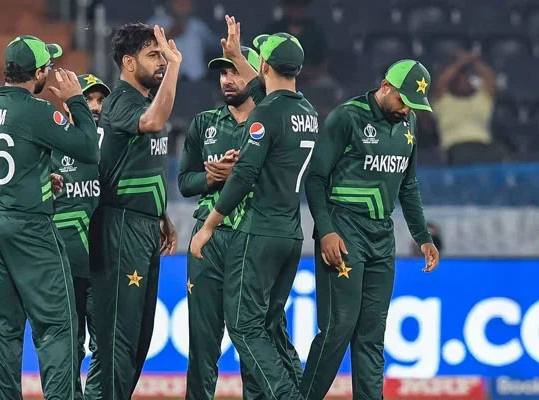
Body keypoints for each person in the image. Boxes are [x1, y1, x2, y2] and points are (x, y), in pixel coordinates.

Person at [0, 35, 99, 399]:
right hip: (28, 229)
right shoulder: (37, 111)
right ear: (38, 72)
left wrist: (35, 179)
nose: (51, 72)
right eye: (48, 68)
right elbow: (89, 149)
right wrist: (74, 100)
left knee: (3, 331)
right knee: (57, 326)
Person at [191, 17, 317, 399]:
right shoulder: (307, 111)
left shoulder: (265, 115)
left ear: (263, 66)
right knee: (271, 325)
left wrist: (210, 224)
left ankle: (287, 395)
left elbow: (243, 176)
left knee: (244, 328)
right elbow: (268, 89)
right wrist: (237, 56)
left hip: (258, 232)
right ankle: (300, 388)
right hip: (292, 234)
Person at [300, 59, 441, 400]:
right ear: (385, 86)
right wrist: (327, 230)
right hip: (343, 231)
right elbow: (315, 178)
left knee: (372, 335)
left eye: (414, 105)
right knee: (339, 326)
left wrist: (422, 237)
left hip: (382, 235)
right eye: (403, 101)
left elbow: (408, 185)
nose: (407, 110)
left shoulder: (409, 125)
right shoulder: (347, 117)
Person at [88, 23, 180, 399]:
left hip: (144, 225)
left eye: (162, 54)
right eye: (152, 55)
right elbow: (154, 123)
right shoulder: (124, 100)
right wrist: (175, 66)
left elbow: (139, 165)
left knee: (140, 337)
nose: (160, 61)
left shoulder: (142, 100)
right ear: (128, 62)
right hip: (121, 226)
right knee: (119, 339)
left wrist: (161, 214)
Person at [178, 45, 262, 399]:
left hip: (254, 236)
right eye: (223, 73)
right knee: (203, 342)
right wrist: (212, 179)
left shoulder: (271, 124)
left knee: (254, 340)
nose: (228, 79)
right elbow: (185, 183)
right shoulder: (204, 123)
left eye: (236, 72)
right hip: (207, 243)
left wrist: (242, 172)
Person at [51, 73, 110, 400]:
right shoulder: (51, 144)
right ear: (70, 102)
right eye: (89, 99)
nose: (96, 107)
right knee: (66, 344)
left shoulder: (111, 148)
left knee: (103, 343)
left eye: (101, 100)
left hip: (101, 264)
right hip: (63, 265)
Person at [432, 51, 498, 164]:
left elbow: (490, 78)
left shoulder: (482, 98)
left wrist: (473, 61)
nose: (463, 81)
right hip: (454, 149)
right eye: (458, 79)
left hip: (483, 147)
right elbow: (441, 82)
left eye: (465, 78)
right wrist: (459, 63)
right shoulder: (443, 101)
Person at [147, 0, 217, 81]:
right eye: (178, 2)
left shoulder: (197, 25)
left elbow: (214, 44)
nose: (183, 4)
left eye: (187, 2)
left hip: (197, 81)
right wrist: (168, 36)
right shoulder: (156, 23)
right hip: (165, 82)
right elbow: (144, 49)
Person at [264, 0, 328, 83]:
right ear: (285, 7)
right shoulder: (273, 30)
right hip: (279, 78)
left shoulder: (315, 31)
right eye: (293, 5)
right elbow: (264, 58)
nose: (297, 9)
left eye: (301, 5)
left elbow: (325, 59)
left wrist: (311, 73)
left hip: (313, 79)